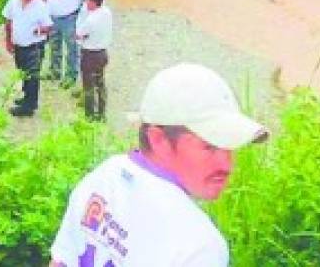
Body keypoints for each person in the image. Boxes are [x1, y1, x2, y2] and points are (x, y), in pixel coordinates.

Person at [49, 63, 268, 267]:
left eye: (229, 146)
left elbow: (60, 261)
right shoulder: (198, 245)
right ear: (159, 140)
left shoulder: (105, 176)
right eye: (209, 146)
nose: (226, 164)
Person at [2, 0, 52, 117]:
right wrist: (8, 41)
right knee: (23, 74)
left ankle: (28, 108)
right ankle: (27, 99)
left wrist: (39, 31)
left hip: (34, 47)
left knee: (32, 77)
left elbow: (49, 27)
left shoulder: (41, 6)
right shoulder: (13, 2)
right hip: (19, 46)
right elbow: (8, 21)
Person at [40, 0, 84, 87]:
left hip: (70, 18)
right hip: (51, 16)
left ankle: (71, 75)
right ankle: (55, 71)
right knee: (54, 46)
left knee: (72, 48)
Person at [75, 0, 113, 121]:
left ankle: (90, 115)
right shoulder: (107, 12)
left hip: (90, 55)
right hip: (102, 53)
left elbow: (79, 34)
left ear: (92, 2)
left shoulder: (90, 20)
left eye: (88, 0)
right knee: (100, 83)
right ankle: (102, 113)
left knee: (89, 86)